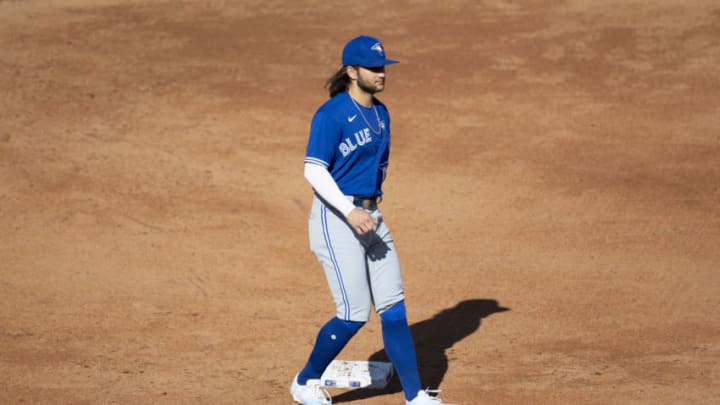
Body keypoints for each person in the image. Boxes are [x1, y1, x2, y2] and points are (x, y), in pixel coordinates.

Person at [290, 35, 456, 405]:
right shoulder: (330, 115)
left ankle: (415, 397)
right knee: (352, 313)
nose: (382, 74)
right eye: (374, 68)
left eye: (383, 67)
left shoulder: (381, 113)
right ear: (351, 72)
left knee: (394, 308)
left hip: (371, 217)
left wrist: (368, 209)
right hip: (337, 217)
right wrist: (349, 211)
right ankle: (305, 381)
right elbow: (314, 171)